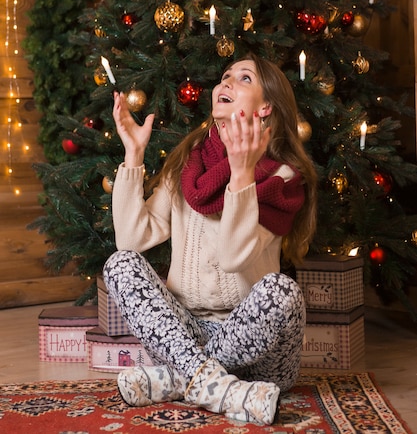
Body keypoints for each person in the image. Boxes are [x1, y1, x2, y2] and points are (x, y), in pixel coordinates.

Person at [103, 53, 317, 426]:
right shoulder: (189, 163)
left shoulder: (281, 177)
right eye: (225, 75)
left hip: (259, 355)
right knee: (119, 264)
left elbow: (233, 257)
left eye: (244, 78)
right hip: (184, 332)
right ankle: (215, 384)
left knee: (282, 293)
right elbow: (132, 239)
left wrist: (242, 172)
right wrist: (134, 154)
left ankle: (179, 377)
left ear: (266, 107)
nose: (227, 82)